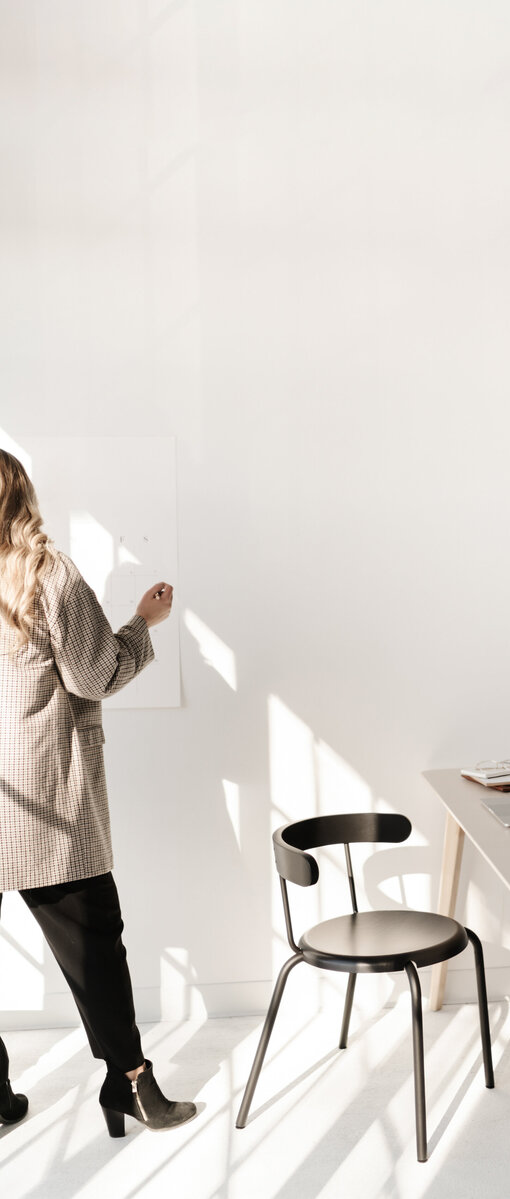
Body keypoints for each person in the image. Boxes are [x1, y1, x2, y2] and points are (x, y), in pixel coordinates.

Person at [0, 448, 195, 1135]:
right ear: (22, 495)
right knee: (96, 945)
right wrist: (143, 623)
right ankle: (132, 1085)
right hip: (44, 803)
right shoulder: (47, 574)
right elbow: (96, 675)